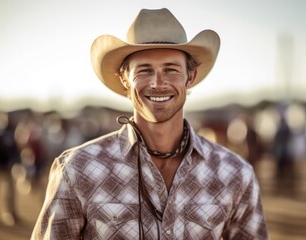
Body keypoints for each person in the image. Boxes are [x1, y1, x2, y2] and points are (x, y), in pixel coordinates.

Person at [31, 8, 268, 239]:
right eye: (144, 70)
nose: (158, 83)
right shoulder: (77, 169)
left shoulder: (235, 174)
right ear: (125, 80)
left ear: (190, 77)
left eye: (171, 69)